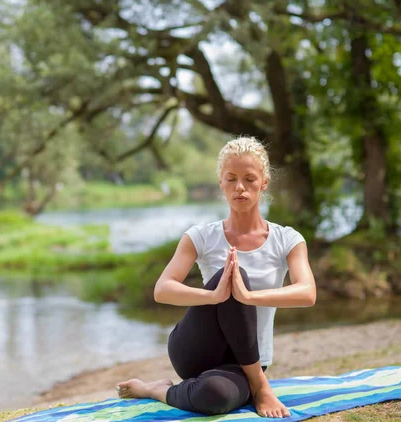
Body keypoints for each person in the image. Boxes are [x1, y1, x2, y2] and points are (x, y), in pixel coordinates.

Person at [115, 136, 317, 418]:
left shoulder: (287, 239)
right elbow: (162, 289)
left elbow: (307, 293)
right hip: (196, 349)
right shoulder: (201, 236)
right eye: (231, 179)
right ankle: (260, 387)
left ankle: (156, 390)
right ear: (221, 183)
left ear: (264, 182)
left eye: (249, 178)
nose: (240, 187)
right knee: (233, 275)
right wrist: (213, 296)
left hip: (247, 362)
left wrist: (248, 297)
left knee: (215, 396)